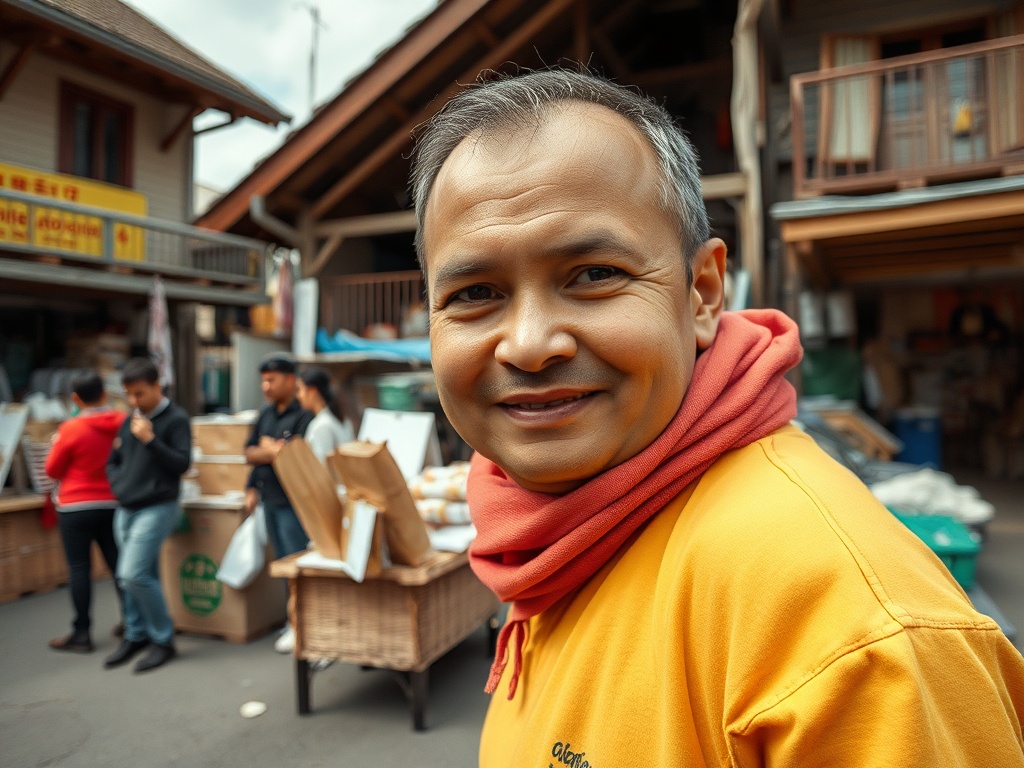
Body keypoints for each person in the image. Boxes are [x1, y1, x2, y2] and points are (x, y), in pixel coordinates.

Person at [409, 69, 1024, 765]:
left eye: (594, 274)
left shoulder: (845, 625)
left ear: (701, 293)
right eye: (475, 292)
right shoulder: (553, 537)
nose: (528, 343)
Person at [105, 358, 191, 672]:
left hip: (158, 506)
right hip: (126, 507)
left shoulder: (176, 419)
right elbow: (113, 460)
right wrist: (118, 484)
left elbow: (182, 463)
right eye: (129, 394)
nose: (133, 401)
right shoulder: (130, 419)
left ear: (157, 386)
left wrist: (151, 440)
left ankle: (163, 638)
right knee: (132, 578)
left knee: (133, 574)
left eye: (139, 393)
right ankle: (136, 633)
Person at [44, 371, 126, 653]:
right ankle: (132, 624)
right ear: (105, 394)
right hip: (114, 503)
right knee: (119, 567)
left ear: (76, 398)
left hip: (75, 506)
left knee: (80, 569)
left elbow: (52, 470)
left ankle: (82, 634)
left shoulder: (70, 429)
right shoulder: (122, 422)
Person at [244, 351, 312, 653]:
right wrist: (269, 454)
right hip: (267, 499)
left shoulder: (304, 415)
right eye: (263, 381)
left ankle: (302, 624)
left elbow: (297, 456)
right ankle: (292, 620)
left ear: (289, 380)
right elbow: (248, 453)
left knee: (296, 563)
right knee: (282, 562)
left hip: (293, 502)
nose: (266, 387)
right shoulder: (265, 414)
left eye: (271, 380)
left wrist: (270, 450)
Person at [296, 367, 354, 464]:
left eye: (299, 390)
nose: (298, 396)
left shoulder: (322, 425)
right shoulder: (340, 418)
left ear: (312, 391)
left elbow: (322, 466)